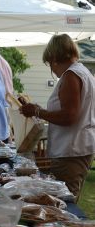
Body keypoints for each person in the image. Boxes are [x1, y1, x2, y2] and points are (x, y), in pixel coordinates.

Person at [20, 34, 95, 201]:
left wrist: (38, 112)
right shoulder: (84, 72)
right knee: (69, 198)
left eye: (49, 64)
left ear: (54, 58)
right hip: (79, 147)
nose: (52, 69)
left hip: (70, 150)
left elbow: (69, 116)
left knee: (65, 202)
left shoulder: (70, 76)